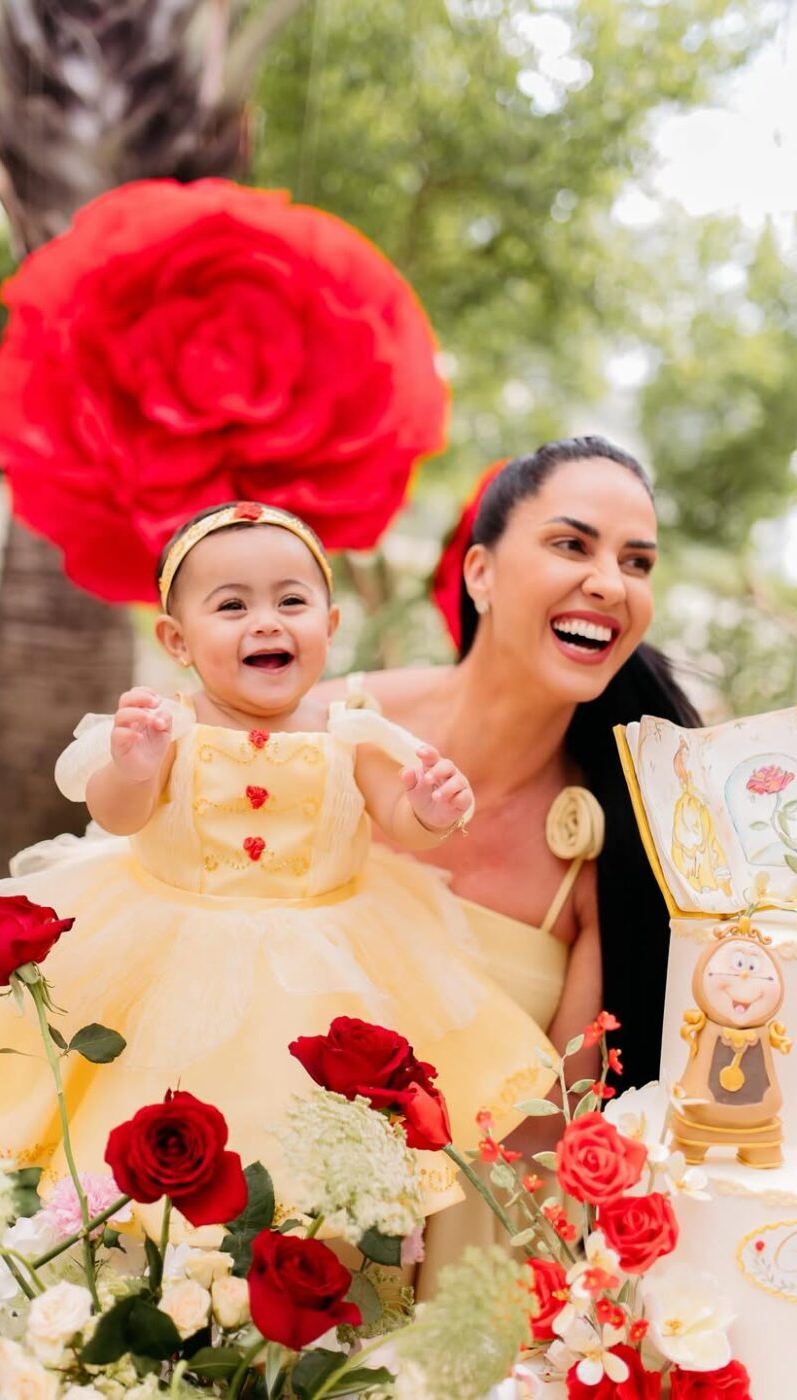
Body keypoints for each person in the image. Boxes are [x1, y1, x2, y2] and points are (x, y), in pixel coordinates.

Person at [0, 501, 559, 1236]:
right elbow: (119, 815)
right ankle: (173, 1266)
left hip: (326, 966)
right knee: (160, 1120)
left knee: (314, 1140)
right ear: (176, 640)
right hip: (172, 958)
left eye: (292, 600)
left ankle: (308, 1257)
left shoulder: (351, 728)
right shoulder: (169, 724)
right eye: (232, 605)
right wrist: (134, 766)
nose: (267, 621)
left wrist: (429, 808)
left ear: (331, 625)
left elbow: (398, 815)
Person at [314, 437, 700, 1274]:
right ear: (480, 573)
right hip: (254, 1230)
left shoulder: (617, 849)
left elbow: (539, 1142)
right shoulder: (326, 733)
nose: (611, 581)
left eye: (637, 562)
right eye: (573, 544)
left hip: (462, 1265)